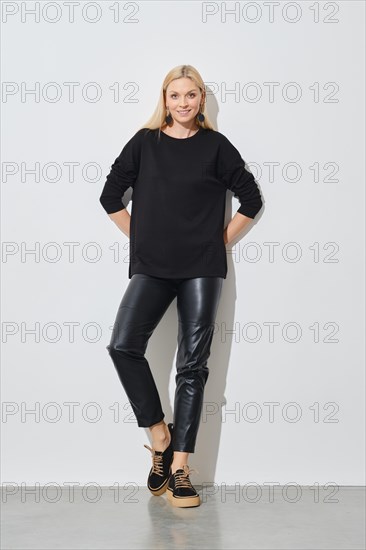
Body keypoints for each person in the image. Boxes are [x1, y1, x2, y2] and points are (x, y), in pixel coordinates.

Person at [99, 64, 263, 508]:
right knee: (122, 345)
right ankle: (159, 435)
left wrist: (216, 243)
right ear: (165, 99)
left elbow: (252, 198)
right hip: (153, 265)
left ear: (202, 98)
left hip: (202, 270)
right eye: (176, 96)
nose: (184, 103)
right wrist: (143, 237)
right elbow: (110, 196)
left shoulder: (216, 146)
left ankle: (180, 470)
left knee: (193, 366)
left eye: (192, 95)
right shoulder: (144, 143)